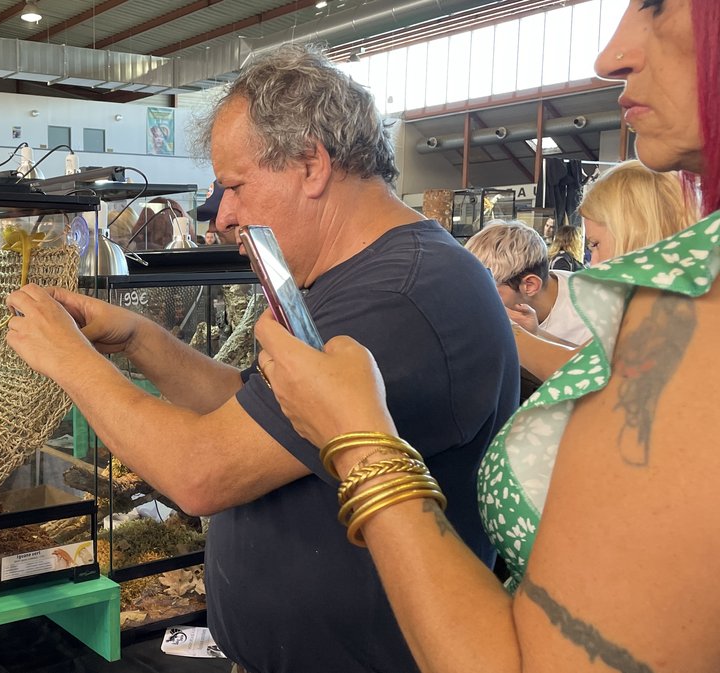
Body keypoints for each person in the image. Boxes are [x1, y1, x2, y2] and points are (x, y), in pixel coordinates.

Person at [5, 44, 518, 673]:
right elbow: (248, 411)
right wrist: (139, 339)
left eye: (235, 186)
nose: (222, 216)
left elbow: (201, 473)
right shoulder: (350, 281)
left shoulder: (402, 296)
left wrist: (71, 362)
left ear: (311, 165)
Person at [252, 1, 720, 671]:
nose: (610, 54)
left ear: (313, 167)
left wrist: (359, 437)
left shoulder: (695, 307)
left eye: (657, 4)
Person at [516, 159, 700, 380]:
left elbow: (588, 376)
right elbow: (592, 357)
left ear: (633, 235)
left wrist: (511, 333)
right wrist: (536, 333)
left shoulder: (671, 315)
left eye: (595, 245)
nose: (593, 263)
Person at [464, 222, 592, 347]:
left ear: (529, 285)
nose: (476, 300)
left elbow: (594, 365)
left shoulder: (591, 314)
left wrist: (534, 336)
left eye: (487, 290)